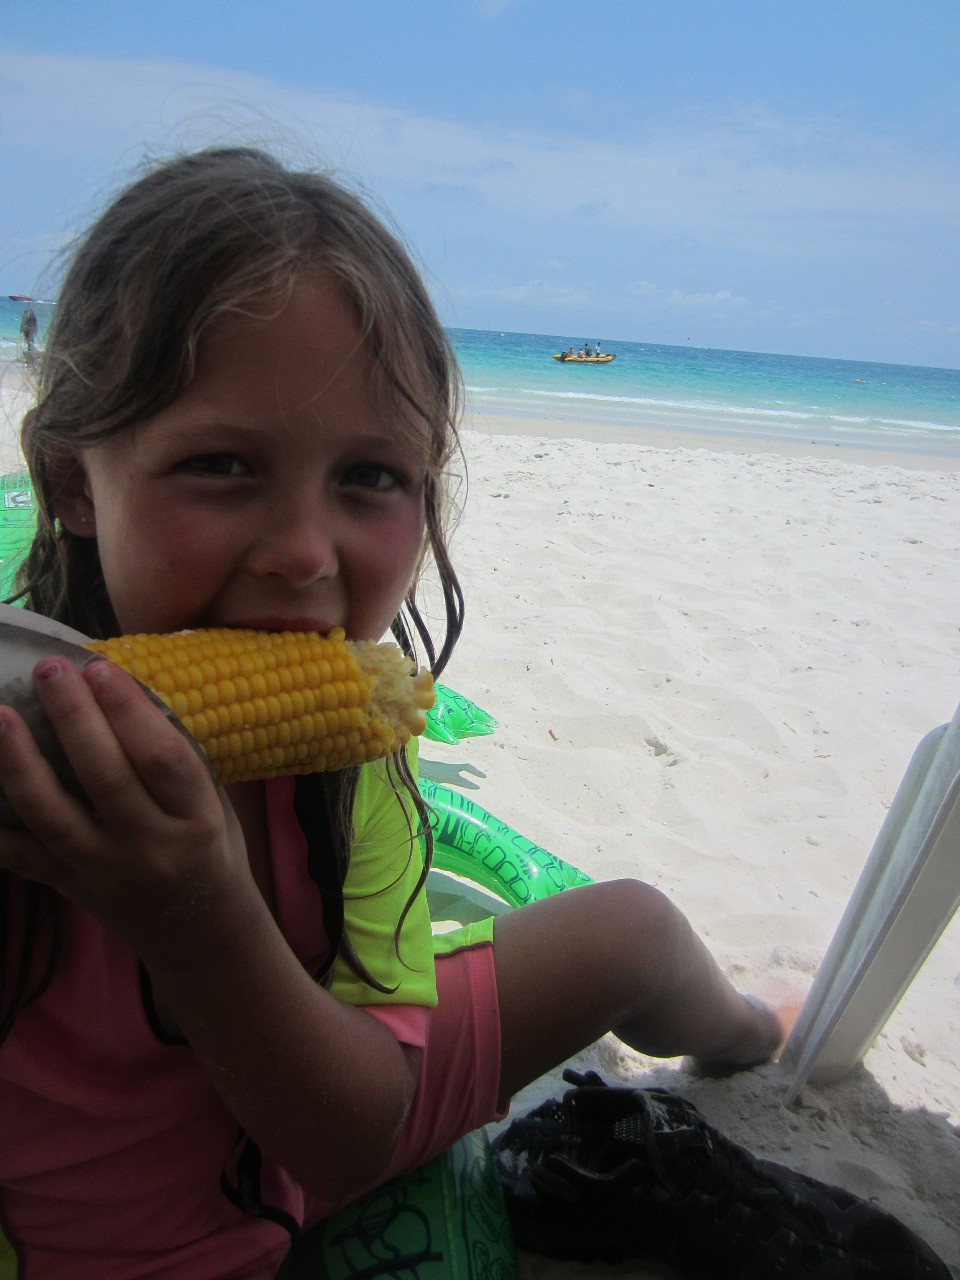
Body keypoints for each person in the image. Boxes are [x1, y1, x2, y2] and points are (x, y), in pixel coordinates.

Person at [0, 147, 799, 1278]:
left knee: (633, 931)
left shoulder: (353, 770)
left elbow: (352, 1133)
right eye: (221, 464)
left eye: (371, 477)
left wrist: (199, 921)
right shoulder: (17, 756)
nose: (302, 552)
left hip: (330, 1104)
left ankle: (753, 1029)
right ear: (75, 484)